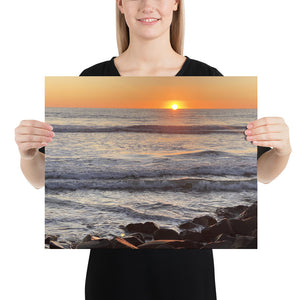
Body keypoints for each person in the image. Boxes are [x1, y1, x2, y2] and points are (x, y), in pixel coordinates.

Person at [14, 0, 291, 299]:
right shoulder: (91, 78)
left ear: (175, 4)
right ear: (121, 4)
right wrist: (27, 154)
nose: (148, 5)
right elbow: (40, 179)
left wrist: (282, 151)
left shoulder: (209, 78)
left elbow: (260, 173)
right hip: (112, 274)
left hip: (188, 274)